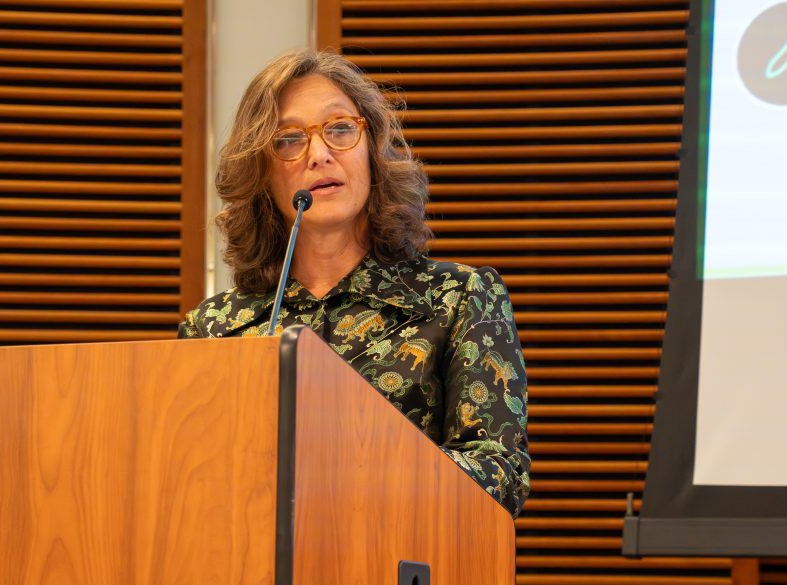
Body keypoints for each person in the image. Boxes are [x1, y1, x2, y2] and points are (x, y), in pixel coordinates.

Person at [179, 50, 530, 517]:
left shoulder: (457, 299)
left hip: (400, 574)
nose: (320, 154)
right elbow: (186, 487)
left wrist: (354, 471)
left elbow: (499, 474)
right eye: (288, 140)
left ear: (372, 148)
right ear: (263, 174)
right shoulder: (214, 328)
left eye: (340, 129)